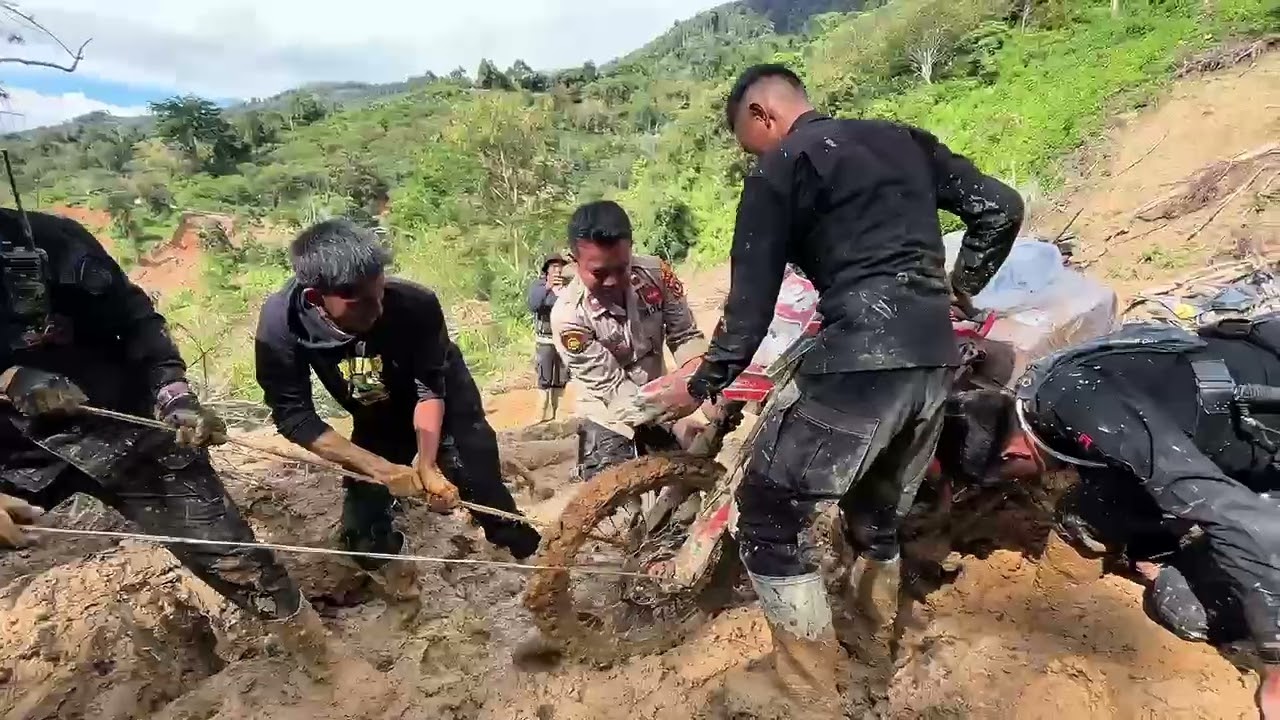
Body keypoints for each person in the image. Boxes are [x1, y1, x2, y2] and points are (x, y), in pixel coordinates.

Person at [675, 64, 1024, 715]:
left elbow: (748, 313)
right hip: (931, 362)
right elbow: (999, 208)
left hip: (858, 364)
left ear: (762, 117)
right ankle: (869, 652)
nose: (757, 153)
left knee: (771, 516)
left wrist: (704, 382)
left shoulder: (779, 171)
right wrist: (958, 285)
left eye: (751, 143)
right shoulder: (902, 139)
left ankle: (805, 688)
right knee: (876, 514)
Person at [0, 208, 326, 661]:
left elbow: (136, 323)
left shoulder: (48, 240)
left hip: (116, 424)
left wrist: (175, 398)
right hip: (9, 459)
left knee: (233, 556)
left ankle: (319, 657)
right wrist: (7, 377)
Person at [938, 319, 1280, 719]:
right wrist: (1149, 548)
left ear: (1011, 456)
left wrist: (1275, 664)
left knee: (1184, 606)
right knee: (1088, 514)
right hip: (1229, 412)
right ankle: (1165, 549)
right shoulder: (1046, 392)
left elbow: (1246, 521)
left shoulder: (1088, 415)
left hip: (1260, 463)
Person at [254, 219, 542, 592]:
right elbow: (294, 417)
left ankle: (526, 554)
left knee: (476, 476)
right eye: (362, 303)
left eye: (380, 293)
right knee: (364, 528)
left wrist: (426, 462)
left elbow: (430, 388)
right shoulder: (281, 325)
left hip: (444, 398)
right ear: (315, 298)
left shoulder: (415, 303)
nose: (377, 310)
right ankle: (388, 565)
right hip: (373, 411)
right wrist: (381, 468)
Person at [549, 200, 708, 481]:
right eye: (598, 273)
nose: (611, 281)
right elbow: (616, 393)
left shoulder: (656, 275)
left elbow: (685, 337)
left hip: (660, 402)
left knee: (683, 504)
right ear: (575, 261)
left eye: (621, 268)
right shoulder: (569, 317)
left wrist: (703, 383)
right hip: (610, 419)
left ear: (631, 249)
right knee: (619, 512)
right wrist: (677, 421)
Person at [527, 254, 570, 422]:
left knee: (561, 376)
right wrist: (548, 287)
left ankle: (557, 413)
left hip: (564, 338)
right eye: (553, 267)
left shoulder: (568, 287)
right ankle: (541, 412)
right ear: (547, 270)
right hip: (545, 339)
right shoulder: (538, 285)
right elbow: (534, 305)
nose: (558, 270)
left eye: (560, 266)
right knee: (544, 375)